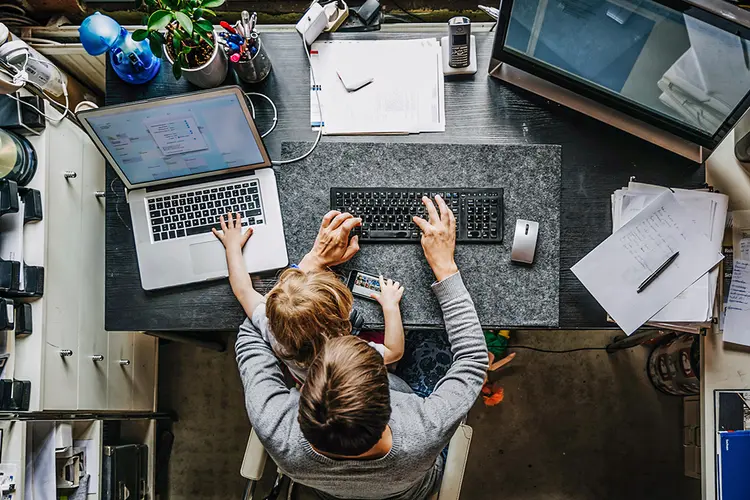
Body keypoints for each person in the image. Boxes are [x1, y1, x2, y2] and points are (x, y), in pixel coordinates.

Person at [232, 196, 489, 499]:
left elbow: (251, 333)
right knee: (432, 339)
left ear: (301, 395)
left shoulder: (275, 427)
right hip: (413, 488)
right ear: (389, 398)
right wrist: (445, 267)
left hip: (330, 492)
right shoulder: (424, 429)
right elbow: (472, 359)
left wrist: (311, 266)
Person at [213, 212, 405, 381]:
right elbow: (393, 352)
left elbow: (242, 289)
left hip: (306, 379)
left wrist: (232, 247)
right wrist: (391, 307)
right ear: (341, 320)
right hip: (345, 375)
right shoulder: (348, 353)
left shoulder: (271, 325)